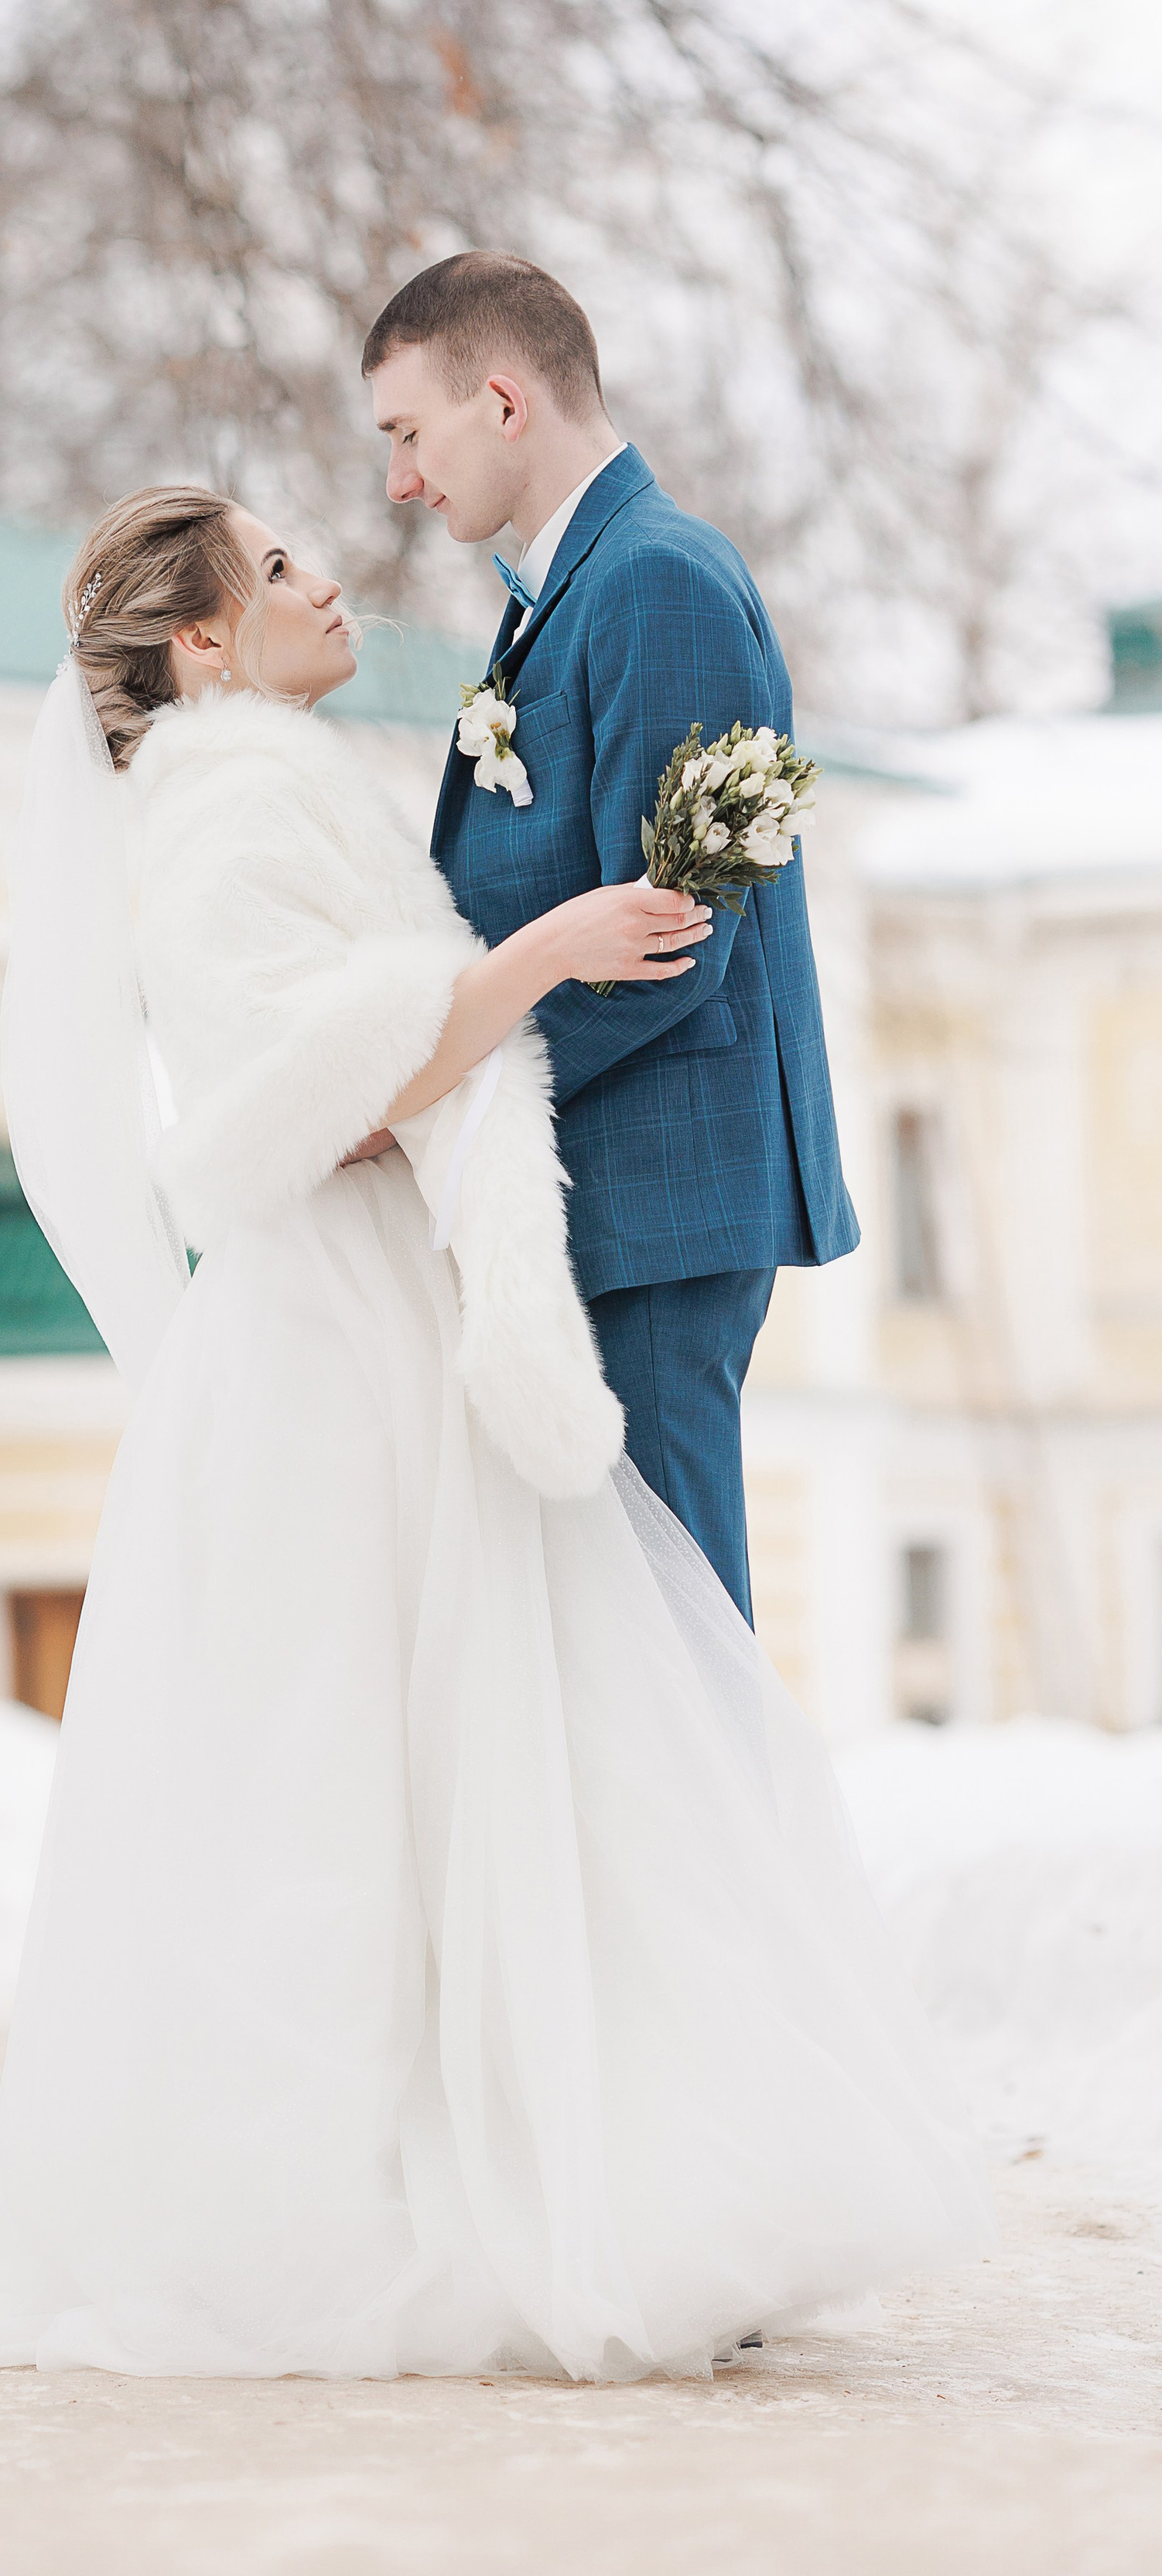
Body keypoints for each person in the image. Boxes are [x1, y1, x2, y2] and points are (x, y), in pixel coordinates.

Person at [0, 486, 989, 2385]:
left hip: (388, 1318)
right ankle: (365, 2200)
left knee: (473, 1747)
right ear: (199, 643)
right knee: (351, 1772)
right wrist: (546, 960)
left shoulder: (269, 785)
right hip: (321, 1348)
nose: (327, 573)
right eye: (276, 568)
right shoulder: (213, 817)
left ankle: (545, 2142)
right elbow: (318, 1096)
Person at [363, 254, 857, 1629]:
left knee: (673, 1639)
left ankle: (736, 1858)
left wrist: (449, 1088)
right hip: (600, 1194)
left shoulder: (653, 583)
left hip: (654, 1199)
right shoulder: (566, 590)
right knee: (613, 1649)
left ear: (504, 400)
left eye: (409, 432)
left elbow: (670, 942)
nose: (401, 479)